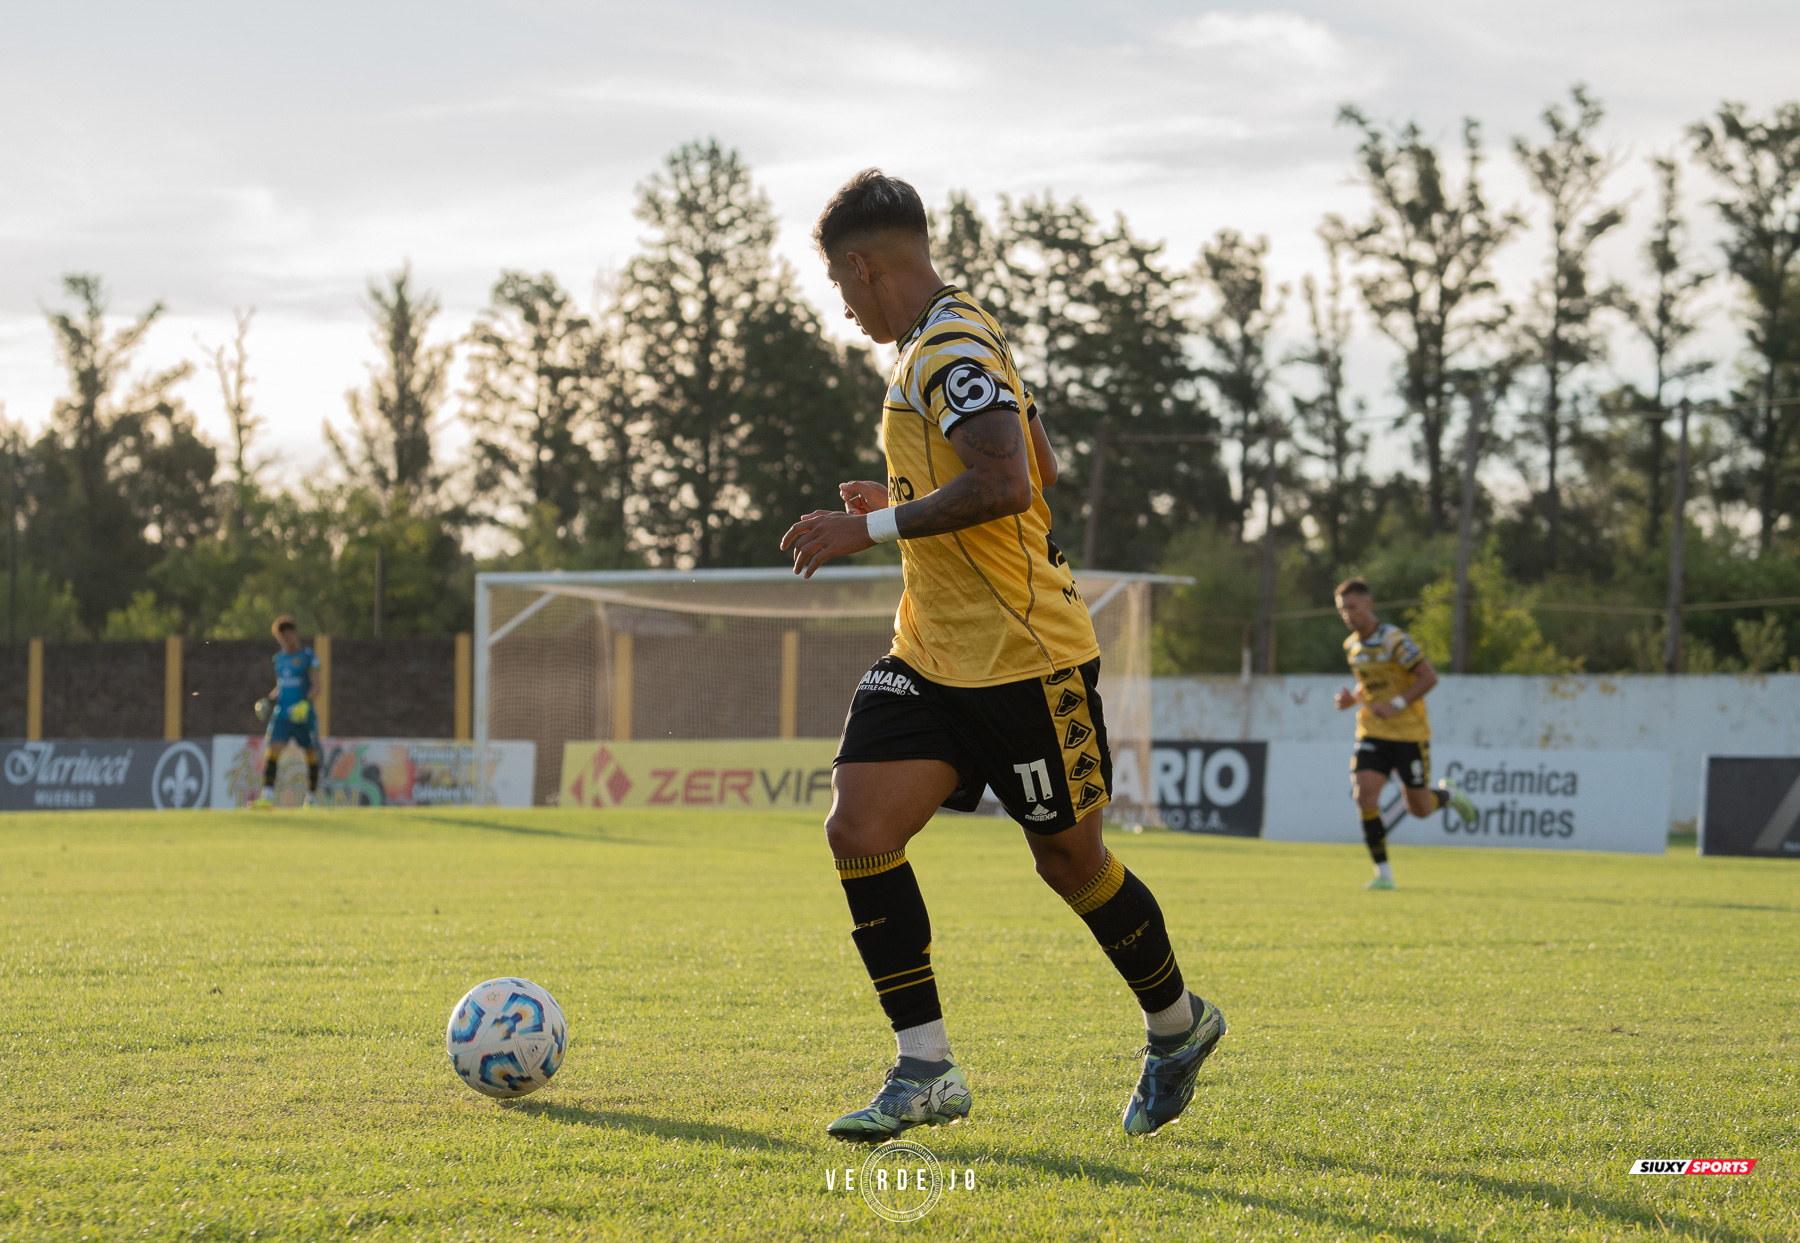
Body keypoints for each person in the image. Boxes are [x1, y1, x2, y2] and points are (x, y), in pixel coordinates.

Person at [780, 169, 1224, 1141]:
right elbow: (1039, 462)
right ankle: (925, 1066)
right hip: (932, 656)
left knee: (1071, 863)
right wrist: (901, 487)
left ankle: (1178, 1027)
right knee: (858, 827)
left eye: (840, 286)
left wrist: (879, 525)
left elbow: (1015, 482)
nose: (844, 306)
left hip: (1029, 659)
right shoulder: (954, 336)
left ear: (863, 265)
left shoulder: (950, 350)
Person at [1331, 579, 1476, 887]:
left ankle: (1448, 795)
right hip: (1372, 731)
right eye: (1342, 609)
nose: (1347, 615)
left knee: (1419, 809)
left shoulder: (1394, 640)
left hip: (1409, 734)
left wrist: (1396, 704)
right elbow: (1368, 686)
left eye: (1352, 607)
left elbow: (1428, 676)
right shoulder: (1351, 646)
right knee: (1364, 795)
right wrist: (1351, 700)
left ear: (1369, 605)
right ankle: (1383, 875)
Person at [254, 616, 323, 808]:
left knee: (310, 753)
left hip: (303, 716)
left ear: (294, 634)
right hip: (282, 714)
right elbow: (281, 686)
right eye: (280, 639)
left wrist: (305, 703)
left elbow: (317, 686)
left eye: (285, 637)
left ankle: (311, 799)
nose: (284, 642)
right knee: (272, 750)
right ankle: (267, 798)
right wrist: (268, 700)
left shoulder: (308, 656)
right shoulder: (280, 659)